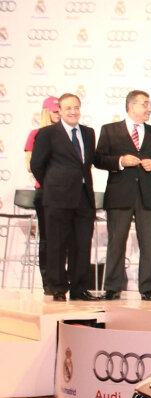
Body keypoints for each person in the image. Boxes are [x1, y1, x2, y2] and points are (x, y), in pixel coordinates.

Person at [95, 89, 151, 301]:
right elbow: (99, 159)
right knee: (116, 242)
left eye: (149, 104)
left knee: (148, 243)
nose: (149, 108)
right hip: (120, 194)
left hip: (148, 195)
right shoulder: (110, 130)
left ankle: (147, 288)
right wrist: (120, 161)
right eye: (145, 104)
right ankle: (112, 287)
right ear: (131, 105)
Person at [29, 93, 100, 302]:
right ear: (59, 110)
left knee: (81, 244)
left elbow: (87, 163)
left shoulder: (88, 133)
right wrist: (53, 184)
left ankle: (79, 289)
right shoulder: (47, 133)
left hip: (83, 198)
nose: (73, 112)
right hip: (57, 197)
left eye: (76, 107)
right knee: (57, 243)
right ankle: (58, 288)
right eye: (68, 108)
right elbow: (37, 165)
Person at [24, 96, 60, 291]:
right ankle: (48, 281)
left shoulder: (67, 134)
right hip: (44, 191)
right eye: (55, 111)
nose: (59, 114)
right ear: (47, 112)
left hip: (64, 193)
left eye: (59, 110)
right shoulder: (36, 134)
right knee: (47, 237)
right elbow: (30, 165)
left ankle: (62, 278)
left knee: (64, 238)